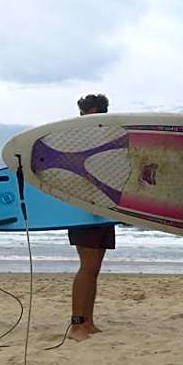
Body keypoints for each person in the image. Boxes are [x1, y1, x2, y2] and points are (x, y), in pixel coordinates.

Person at [67, 93, 114, 342]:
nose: (86, 118)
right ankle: (76, 324)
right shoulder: (75, 143)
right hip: (83, 211)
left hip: (104, 211)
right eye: (83, 114)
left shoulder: (108, 143)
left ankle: (89, 321)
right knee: (87, 266)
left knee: (94, 269)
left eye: (91, 113)